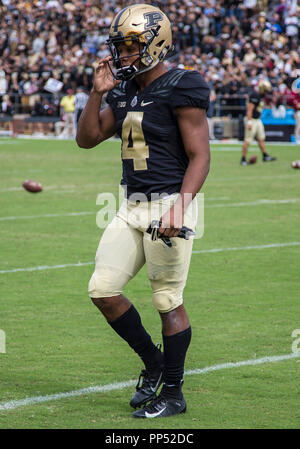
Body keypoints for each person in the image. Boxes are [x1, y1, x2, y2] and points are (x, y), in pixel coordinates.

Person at [76, 4, 210, 419]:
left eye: (131, 45)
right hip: (130, 204)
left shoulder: (183, 84)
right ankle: (153, 363)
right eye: (121, 46)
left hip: (171, 202)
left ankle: (173, 393)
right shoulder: (122, 89)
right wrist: (96, 91)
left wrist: (181, 209)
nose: (124, 54)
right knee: (102, 289)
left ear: (156, 42)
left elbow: (200, 156)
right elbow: (87, 139)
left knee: (167, 298)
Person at [240, 79, 277, 165]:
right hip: (251, 119)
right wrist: (249, 122)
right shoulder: (255, 95)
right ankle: (243, 159)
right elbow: (249, 110)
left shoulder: (260, 96)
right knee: (248, 140)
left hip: (257, 120)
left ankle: (265, 155)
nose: (267, 92)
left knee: (261, 138)